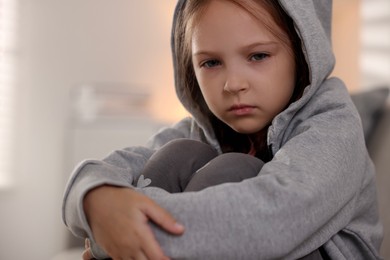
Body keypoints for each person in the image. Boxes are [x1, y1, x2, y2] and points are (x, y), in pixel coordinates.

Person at [62, 0, 384, 259]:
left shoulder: (334, 123)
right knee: (179, 155)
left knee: (235, 168)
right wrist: (95, 201)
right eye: (211, 63)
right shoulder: (202, 130)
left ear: (301, 53)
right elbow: (112, 167)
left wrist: (122, 236)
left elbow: (272, 219)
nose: (233, 84)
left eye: (258, 56)